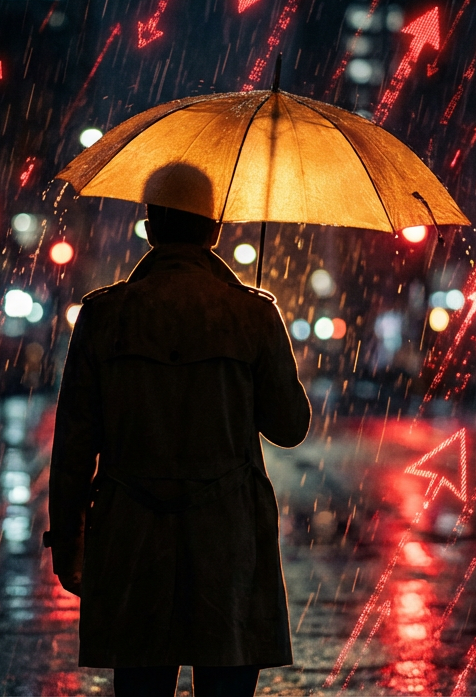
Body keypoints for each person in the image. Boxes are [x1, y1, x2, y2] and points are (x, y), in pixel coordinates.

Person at [46, 201, 311, 697]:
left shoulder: (105, 314)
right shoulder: (252, 312)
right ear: (214, 230)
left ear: (150, 229)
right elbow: (290, 426)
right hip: (228, 543)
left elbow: (74, 447)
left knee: (141, 683)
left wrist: (69, 545)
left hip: (133, 538)